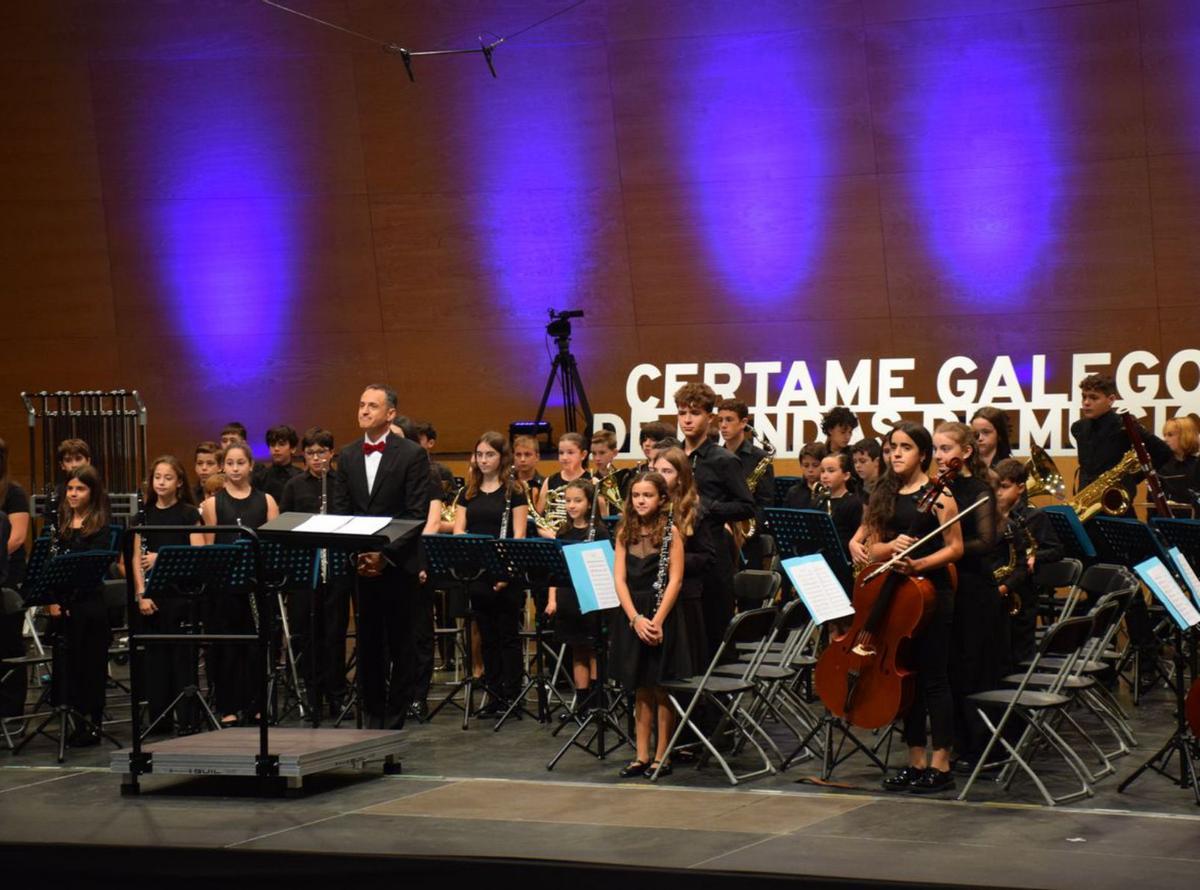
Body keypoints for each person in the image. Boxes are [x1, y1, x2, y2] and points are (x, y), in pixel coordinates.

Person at [862, 423, 963, 794]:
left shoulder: (940, 494)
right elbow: (870, 548)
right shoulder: (882, 494)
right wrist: (889, 549)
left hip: (929, 593)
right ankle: (915, 760)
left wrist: (919, 564)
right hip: (894, 594)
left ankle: (941, 763)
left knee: (934, 677)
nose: (897, 454)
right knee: (908, 679)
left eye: (906, 447)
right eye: (892, 447)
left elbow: (955, 548)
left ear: (923, 454)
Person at [332, 385, 431, 730]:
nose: (364, 411)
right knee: (368, 641)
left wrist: (383, 555)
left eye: (372, 406)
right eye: (361, 405)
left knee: (402, 641)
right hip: (361, 563)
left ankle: (396, 716)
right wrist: (361, 554)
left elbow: (414, 513)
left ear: (390, 413)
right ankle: (373, 713)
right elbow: (343, 510)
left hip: (398, 563)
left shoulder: (412, 454)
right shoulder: (346, 456)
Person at [931, 421, 1004, 772]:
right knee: (949, 667)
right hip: (946, 584)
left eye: (946, 449)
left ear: (965, 452)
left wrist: (945, 548)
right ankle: (954, 742)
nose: (939, 457)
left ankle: (981, 748)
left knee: (971, 667)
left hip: (974, 589)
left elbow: (987, 541)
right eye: (935, 449)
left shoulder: (978, 489)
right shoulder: (936, 489)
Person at [609, 472, 692, 778]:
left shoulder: (671, 532)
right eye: (636, 495)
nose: (641, 500)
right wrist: (635, 619)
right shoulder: (623, 533)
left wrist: (655, 621)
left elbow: (676, 580)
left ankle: (662, 754)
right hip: (633, 615)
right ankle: (641, 754)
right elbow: (619, 579)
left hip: (662, 616)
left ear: (662, 500)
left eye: (648, 495)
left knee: (660, 688)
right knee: (639, 687)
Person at [200, 441, 278, 726]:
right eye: (230, 463)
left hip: (255, 587)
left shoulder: (267, 501)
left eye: (240, 463)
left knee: (256, 648)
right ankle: (228, 706)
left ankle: (257, 705)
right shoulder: (212, 504)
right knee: (227, 649)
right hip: (224, 589)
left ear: (251, 466)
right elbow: (209, 549)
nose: (235, 468)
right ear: (223, 466)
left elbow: (273, 546)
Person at [675, 383, 754, 658]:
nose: (687, 419)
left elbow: (746, 506)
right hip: (678, 552)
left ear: (710, 417)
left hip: (713, 555)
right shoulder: (672, 456)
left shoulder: (723, 460)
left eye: (694, 413)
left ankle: (715, 699)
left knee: (714, 632)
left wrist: (707, 507)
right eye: (682, 412)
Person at [452, 432, 528, 713]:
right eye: (480, 454)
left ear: (501, 458)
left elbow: (518, 536)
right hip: (478, 572)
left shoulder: (514, 492)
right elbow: (459, 531)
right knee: (486, 636)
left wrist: (505, 572)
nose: (484, 460)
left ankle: (513, 696)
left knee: (508, 635)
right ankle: (494, 695)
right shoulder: (467, 493)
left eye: (490, 455)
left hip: (506, 572)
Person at [132, 456, 205, 734]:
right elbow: (137, 559)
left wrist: (161, 557)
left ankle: (187, 719)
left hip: (181, 596)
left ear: (179, 483)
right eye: (157, 477)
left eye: (168, 478)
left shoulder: (189, 514)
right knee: (156, 662)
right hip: (153, 597)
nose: (161, 482)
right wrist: (142, 594)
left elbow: (197, 555)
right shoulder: (143, 516)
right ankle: (159, 720)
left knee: (182, 661)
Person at [280, 428, 350, 716]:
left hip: (336, 567)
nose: (317, 458)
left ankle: (337, 693)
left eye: (322, 452)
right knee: (307, 633)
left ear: (331, 453)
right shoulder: (295, 486)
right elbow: (284, 527)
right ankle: (312, 694)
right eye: (310, 453)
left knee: (334, 633)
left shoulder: (342, 484)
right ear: (304, 455)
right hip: (305, 568)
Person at [47, 466, 113, 746]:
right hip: (62, 607)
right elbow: (47, 569)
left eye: (80, 489)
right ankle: (73, 720)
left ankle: (92, 723)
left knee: (91, 666)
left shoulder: (101, 527)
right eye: (70, 489)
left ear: (92, 492)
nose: (73, 494)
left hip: (89, 606)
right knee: (67, 666)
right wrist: (51, 600)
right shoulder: (58, 524)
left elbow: (93, 569)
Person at [545, 478, 610, 707]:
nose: (572, 505)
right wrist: (552, 599)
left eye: (578, 501)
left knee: (593, 647)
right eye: (568, 501)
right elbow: (555, 571)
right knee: (577, 649)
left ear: (590, 503)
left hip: (591, 597)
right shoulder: (564, 531)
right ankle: (581, 701)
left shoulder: (600, 532)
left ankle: (596, 700)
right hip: (568, 596)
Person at [991, 458, 1063, 665]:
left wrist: (1034, 556)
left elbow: (1057, 550)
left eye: (1004, 487)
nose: (998, 493)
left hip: (1023, 592)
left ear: (1020, 487)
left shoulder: (1034, 516)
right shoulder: (989, 517)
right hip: (999, 585)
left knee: (1020, 653)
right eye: (995, 487)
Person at [650, 447, 711, 673]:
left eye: (667, 471)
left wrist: (672, 561)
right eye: (656, 470)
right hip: (651, 595)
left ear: (680, 477)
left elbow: (707, 558)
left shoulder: (694, 510)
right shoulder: (648, 508)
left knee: (681, 669)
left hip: (685, 599)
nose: (659, 476)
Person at [718, 398, 775, 568]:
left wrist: (745, 534)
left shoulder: (760, 458)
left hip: (747, 540)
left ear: (743, 423)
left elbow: (765, 503)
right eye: (720, 420)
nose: (723, 425)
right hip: (717, 532)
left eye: (729, 419)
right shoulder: (714, 456)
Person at [0, 438, 30, 719]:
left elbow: (17, 537)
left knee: (8, 642)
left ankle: (11, 710)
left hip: (9, 576)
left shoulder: (13, 492)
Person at [818, 452, 863, 571]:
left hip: (843, 564)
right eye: (822, 471)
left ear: (846, 475)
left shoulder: (854, 502)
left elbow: (858, 537)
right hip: (821, 562)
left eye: (831, 471)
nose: (824, 476)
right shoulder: (819, 501)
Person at [539, 433, 591, 530]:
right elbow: (538, 517)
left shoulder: (592, 481)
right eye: (561, 453)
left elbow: (599, 518)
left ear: (583, 455)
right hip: (553, 537)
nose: (564, 457)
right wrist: (545, 532)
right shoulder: (550, 481)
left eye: (570, 453)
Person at [252, 424, 301, 502]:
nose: (276, 448)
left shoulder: (301, 477)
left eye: (281, 444)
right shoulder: (260, 477)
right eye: (272, 445)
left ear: (293, 448)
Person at [1160, 415, 1199, 511]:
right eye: (1164, 435)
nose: (1165, 439)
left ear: (1185, 435)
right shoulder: (1162, 466)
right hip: (1166, 521)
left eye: (1170, 435)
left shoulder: (1197, 465)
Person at [784, 442, 828, 509]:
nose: (810, 470)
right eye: (806, 465)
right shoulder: (793, 492)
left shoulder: (830, 493)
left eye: (815, 465)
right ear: (801, 466)